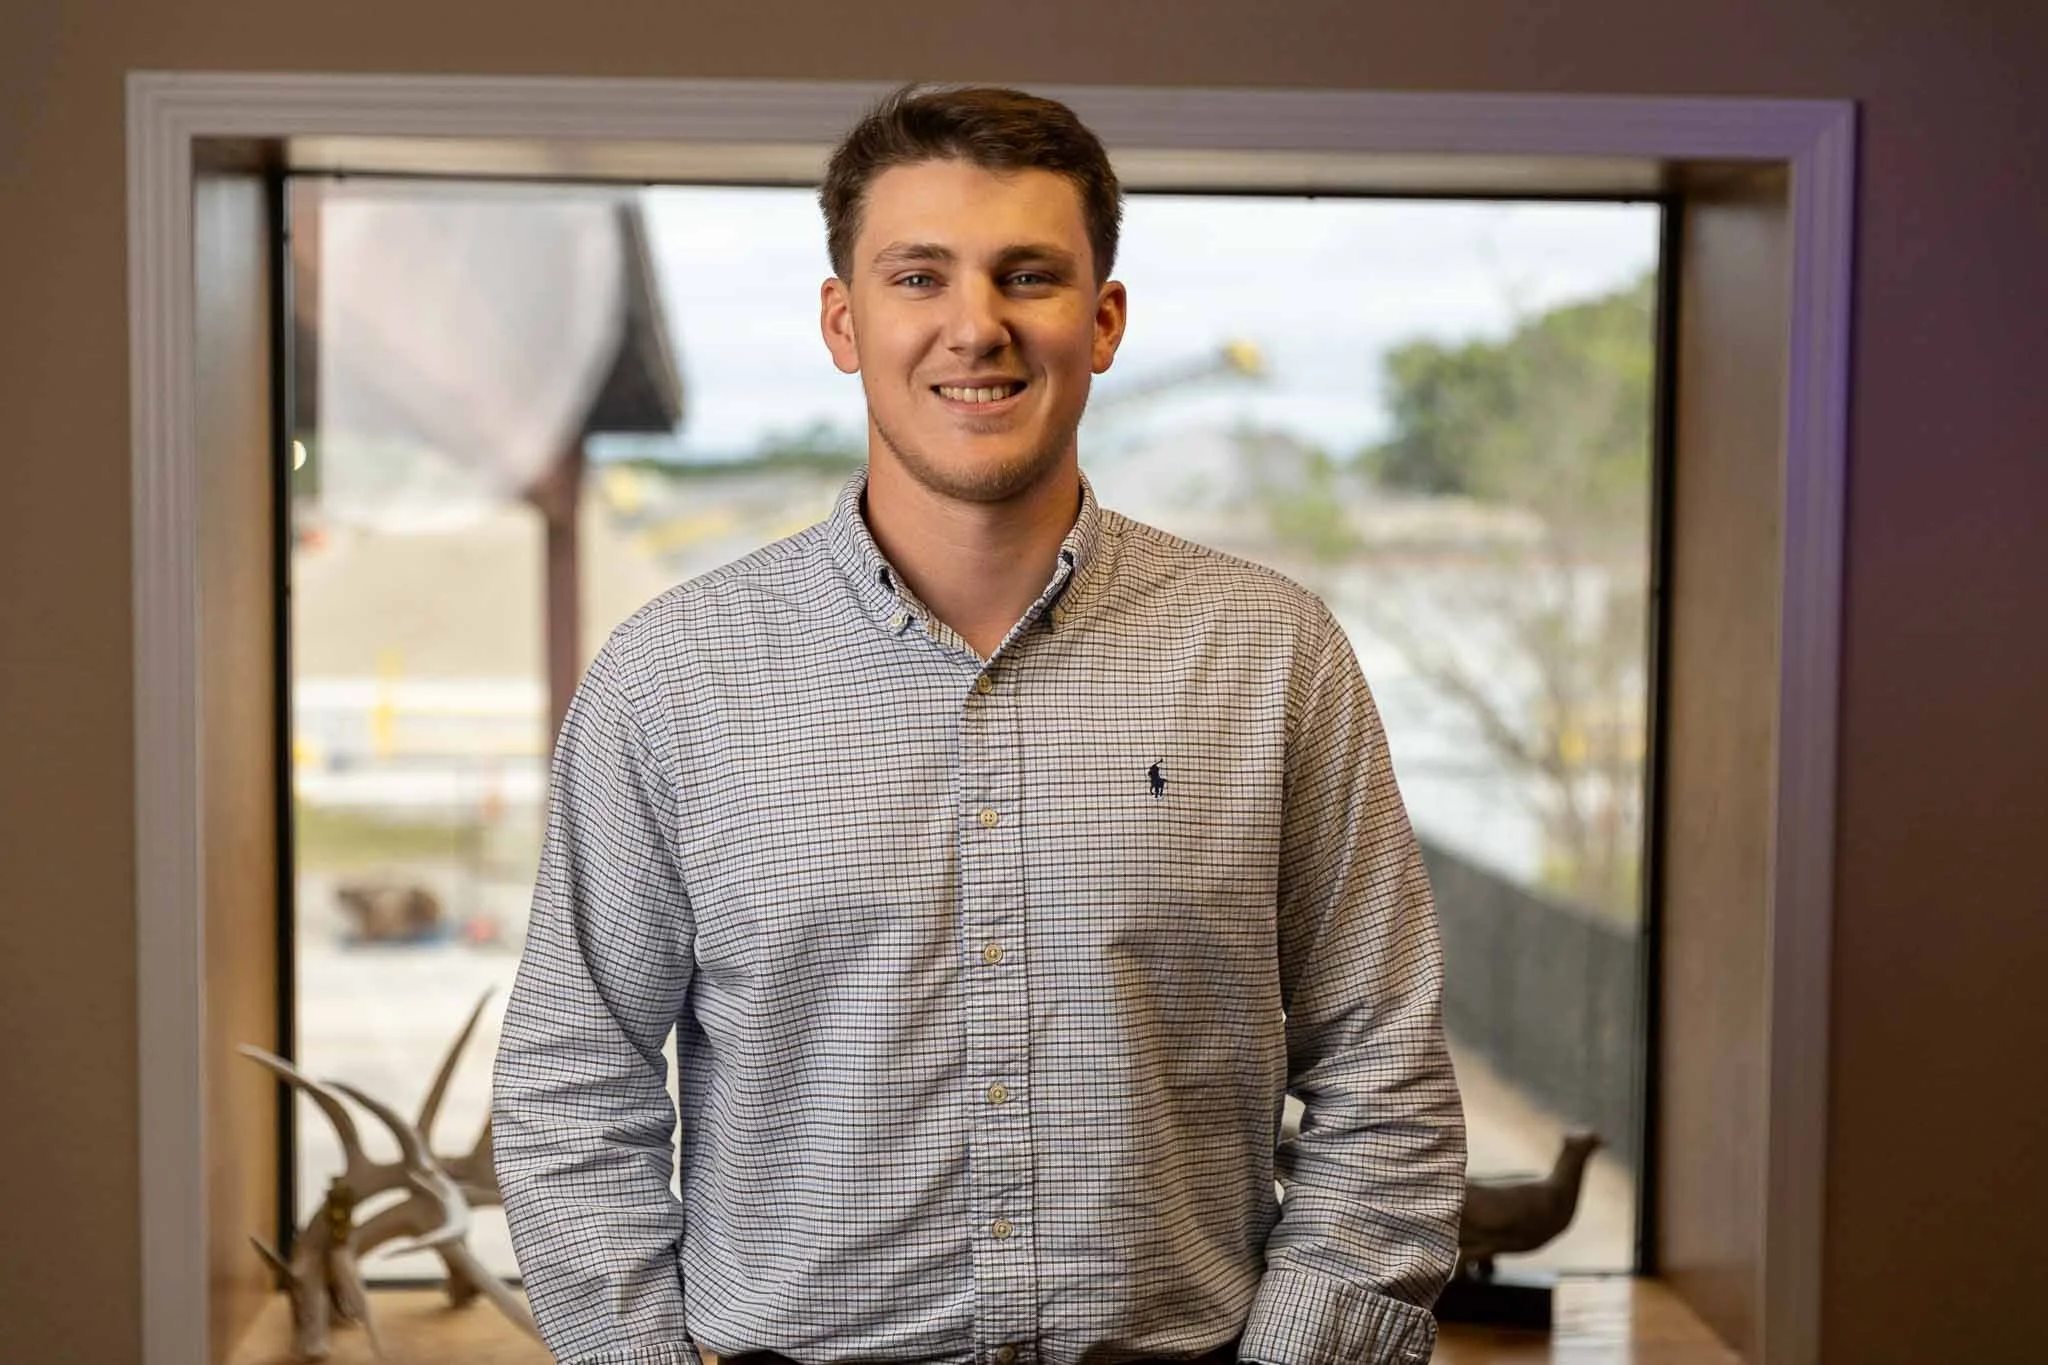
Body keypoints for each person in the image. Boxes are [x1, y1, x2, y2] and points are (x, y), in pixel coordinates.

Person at [492, 84, 1466, 1365]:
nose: (975, 326)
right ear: (842, 322)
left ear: (1101, 320)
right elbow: (573, 1087)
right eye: (918, 277)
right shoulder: (672, 678)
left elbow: (1383, 1075)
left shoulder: (1271, 658)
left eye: (1027, 276)